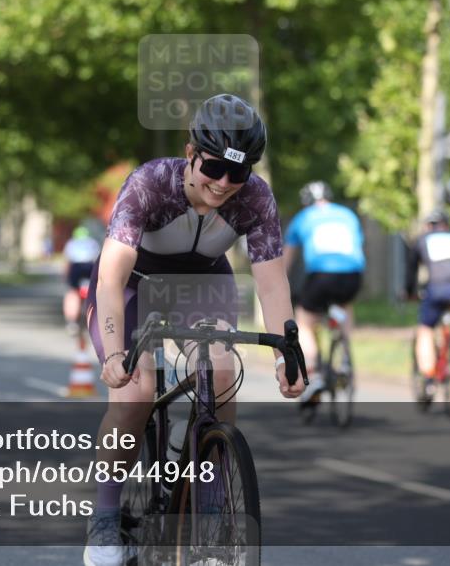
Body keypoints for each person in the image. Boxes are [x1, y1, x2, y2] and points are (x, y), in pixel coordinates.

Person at [83, 93, 305, 566]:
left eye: (238, 173)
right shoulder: (149, 185)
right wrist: (113, 352)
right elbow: (110, 277)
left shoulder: (257, 198)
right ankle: (104, 520)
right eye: (213, 168)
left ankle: (212, 513)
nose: (225, 183)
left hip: (202, 282)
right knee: (135, 393)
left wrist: (288, 349)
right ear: (191, 153)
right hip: (134, 285)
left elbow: (271, 283)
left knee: (222, 371)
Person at [283, 181, 365, 404]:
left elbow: (286, 259)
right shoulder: (348, 215)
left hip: (321, 276)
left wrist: (282, 285)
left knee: (306, 320)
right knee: (344, 306)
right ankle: (345, 357)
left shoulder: (303, 217)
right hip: (352, 275)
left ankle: (313, 372)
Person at [405, 209, 450, 378]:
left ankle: (428, 373)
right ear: (446, 225)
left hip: (437, 288)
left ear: (428, 226)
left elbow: (411, 269)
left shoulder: (424, 239)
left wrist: (409, 291)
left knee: (426, 328)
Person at [63, 225, 101, 336]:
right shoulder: (93, 243)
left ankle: (72, 322)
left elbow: (67, 262)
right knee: (94, 293)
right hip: (89, 267)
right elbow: (97, 260)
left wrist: (66, 276)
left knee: (73, 293)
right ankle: (96, 321)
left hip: (76, 267)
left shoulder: (71, 243)